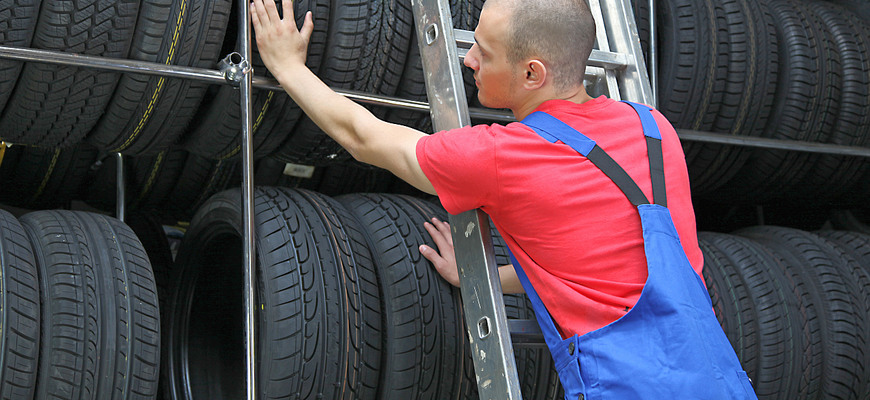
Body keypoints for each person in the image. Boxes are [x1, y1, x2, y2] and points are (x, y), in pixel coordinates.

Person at [251, 0, 757, 397]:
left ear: (533, 73)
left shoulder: (503, 157)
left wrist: (287, 66)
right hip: (719, 379)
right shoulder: (652, 128)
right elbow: (615, 262)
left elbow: (364, 138)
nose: (467, 58)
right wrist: (486, 277)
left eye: (484, 52)